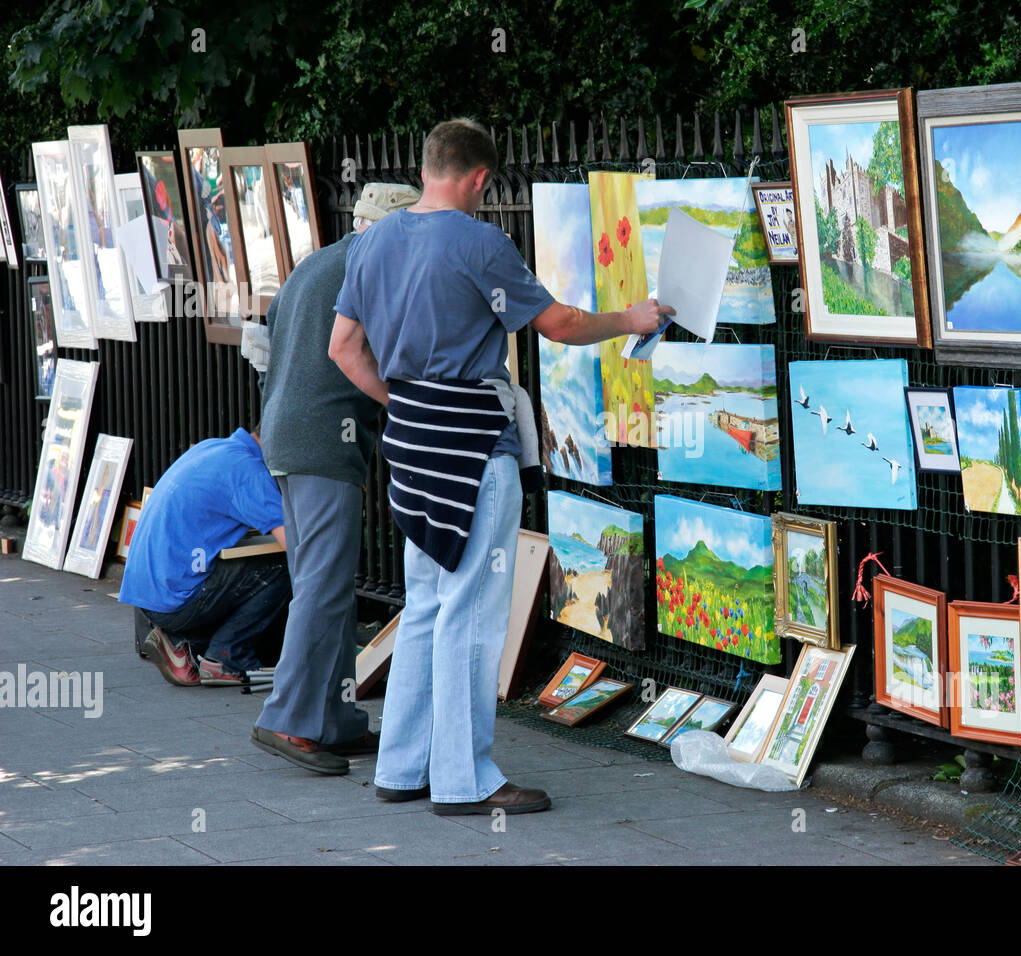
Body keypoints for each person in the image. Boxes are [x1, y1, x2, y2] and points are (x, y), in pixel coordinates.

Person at [329, 118, 671, 814]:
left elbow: (343, 348)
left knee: (424, 605)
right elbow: (560, 325)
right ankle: (464, 780)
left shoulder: (374, 242)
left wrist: (406, 401)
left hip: (410, 447)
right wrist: (633, 320)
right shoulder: (480, 242)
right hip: (471, 447)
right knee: (473, 614)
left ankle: (401, 768)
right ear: (480, 179)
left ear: (427, 168)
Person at [250, 182, 421, 775]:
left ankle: (337, 718)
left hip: (285, 435)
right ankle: (289, 720)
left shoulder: (317, 262)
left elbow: (269, 340)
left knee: (321, 582)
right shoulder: (374, 264)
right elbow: (376, 354)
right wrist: (411, 406)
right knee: (324, 585)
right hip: (326, 438)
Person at [119, 427, 290, 687]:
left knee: (238, 576)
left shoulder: (213, 448)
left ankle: (184, 647)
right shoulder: (248, 470)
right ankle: (228, 657)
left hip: (148, 597)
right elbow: (297, 545)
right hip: (176, 600)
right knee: (282, 567)